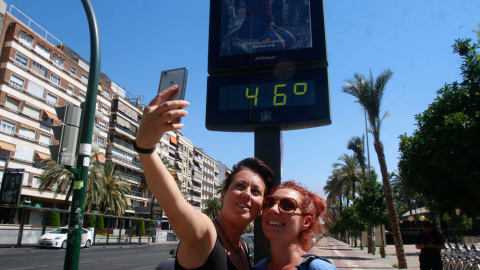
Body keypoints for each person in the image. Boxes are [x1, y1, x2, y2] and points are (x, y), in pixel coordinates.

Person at [135, 85, 274, 270]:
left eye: (256, 191)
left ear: (260, 209)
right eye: (240, 186)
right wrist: (146, 149)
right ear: (223, 195)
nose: (247, 194)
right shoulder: (206, 235)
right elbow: (177, 210)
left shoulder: (242, 248)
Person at [254, 181, 337, 270]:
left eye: (287, 205)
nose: (273, 209)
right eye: (269, 203)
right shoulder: (258, 267)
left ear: (306, 222)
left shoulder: (320, 268)